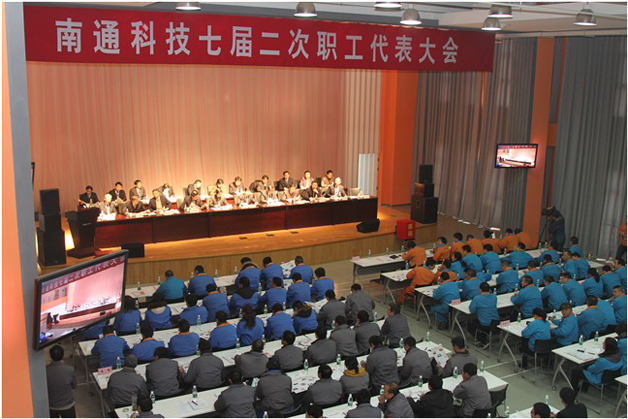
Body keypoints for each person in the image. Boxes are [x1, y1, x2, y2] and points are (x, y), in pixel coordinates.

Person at [47, 345, 77, 418]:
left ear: (51, 356)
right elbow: (74, 385)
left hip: (51, 405)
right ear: (63, 355)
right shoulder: (70, 369)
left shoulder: (45, 370)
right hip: (67, 405)